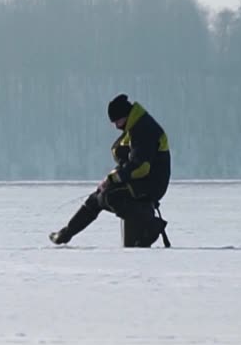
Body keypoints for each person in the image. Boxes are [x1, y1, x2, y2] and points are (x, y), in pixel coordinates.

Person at [50, 94, 171, 247]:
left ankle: (151, 223)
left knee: (109, 197)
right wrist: (111, 178)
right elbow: (128, 160)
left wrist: (114, 179)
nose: (116, 126)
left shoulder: (143, 129)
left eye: (116, 121)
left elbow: (141, 167)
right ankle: (67, 233)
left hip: (151, 184)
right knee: (97, 197)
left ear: (125, 115)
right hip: (139, 181)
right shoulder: (134, 127)